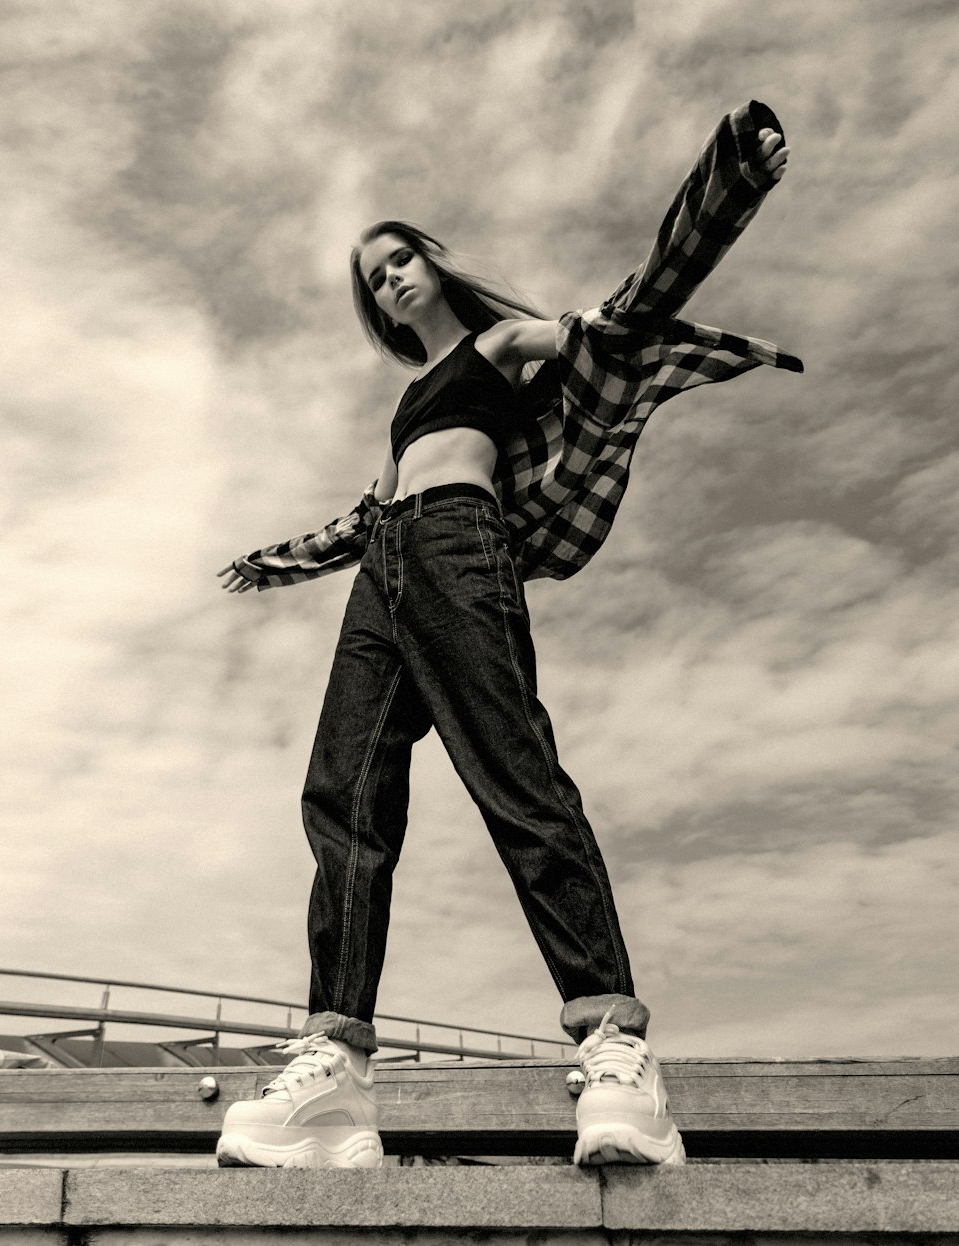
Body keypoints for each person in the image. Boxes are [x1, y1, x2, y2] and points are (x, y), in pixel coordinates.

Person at [215, 102, 799, 1171]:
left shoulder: (498, 342)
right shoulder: (406, 396)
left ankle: (616, 1046)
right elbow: (361, 512)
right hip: (384, 569)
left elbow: (625, 316)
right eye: (372, 275)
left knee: (511, 770)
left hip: (459, 548)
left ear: (434, 265)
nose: (388, 277)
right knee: (341, 793)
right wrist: (280, 559)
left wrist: (724, 193)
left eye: (399, 259)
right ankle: (334, 1074)